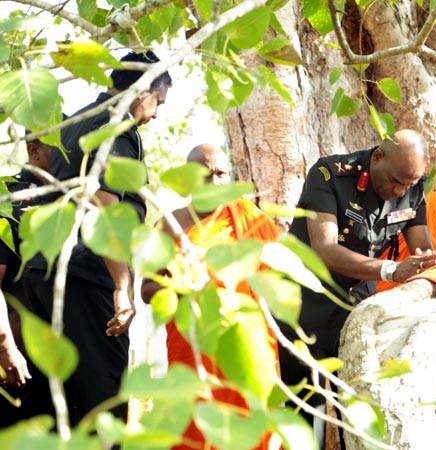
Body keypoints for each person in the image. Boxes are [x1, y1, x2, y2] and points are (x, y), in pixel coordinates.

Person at [22, 50, 172, 425]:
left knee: (56, 406)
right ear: (142, 91)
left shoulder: (75, 121)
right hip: (86, 277)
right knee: (103, 404)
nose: (154, 116)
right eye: (158, 103)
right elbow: (104, 207)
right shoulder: (118, 125)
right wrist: (123, 285)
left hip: (43, 277)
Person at [278, 129, 436, 448]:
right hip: (304, 306)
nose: (400, 190)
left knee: (358, 416)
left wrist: (432, 262)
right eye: (396, 181)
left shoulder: (412, 187)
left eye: (409, 185)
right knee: (308, 417)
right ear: (378, 157)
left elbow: (421, 246)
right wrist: (391, 270)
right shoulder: (329, 175)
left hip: (357, 311)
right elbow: (325, 249)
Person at [141, 144, 279, 450]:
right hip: (193, 344)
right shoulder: (168, 224)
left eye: (221, 174)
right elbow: (147, 290)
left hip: (245, 342)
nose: (215, 183)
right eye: (205, 176)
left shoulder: (254, 220)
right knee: (194, 426)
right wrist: (190, 287)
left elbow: (275, 279)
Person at [0, 136, 54, 425]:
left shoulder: (68, 199)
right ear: (34, 150)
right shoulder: (9, 198)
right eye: (59, 151)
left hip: (57, 356)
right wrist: (7, 350)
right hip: (17, 357)